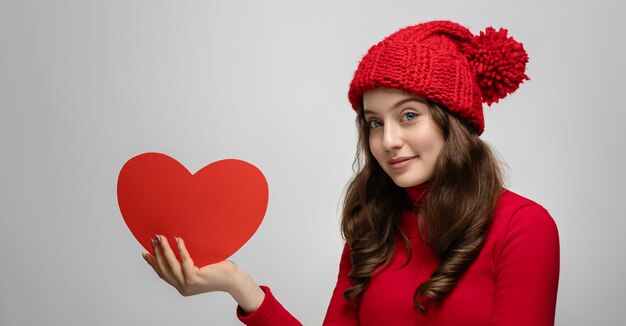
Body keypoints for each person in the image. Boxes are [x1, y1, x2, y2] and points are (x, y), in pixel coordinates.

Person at [142, 20, 560, 325]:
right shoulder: (372, 228)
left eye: (409, 115)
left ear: (454, 122)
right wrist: (238, 284)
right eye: (374, 122)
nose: (388, 140)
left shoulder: (524, 228)